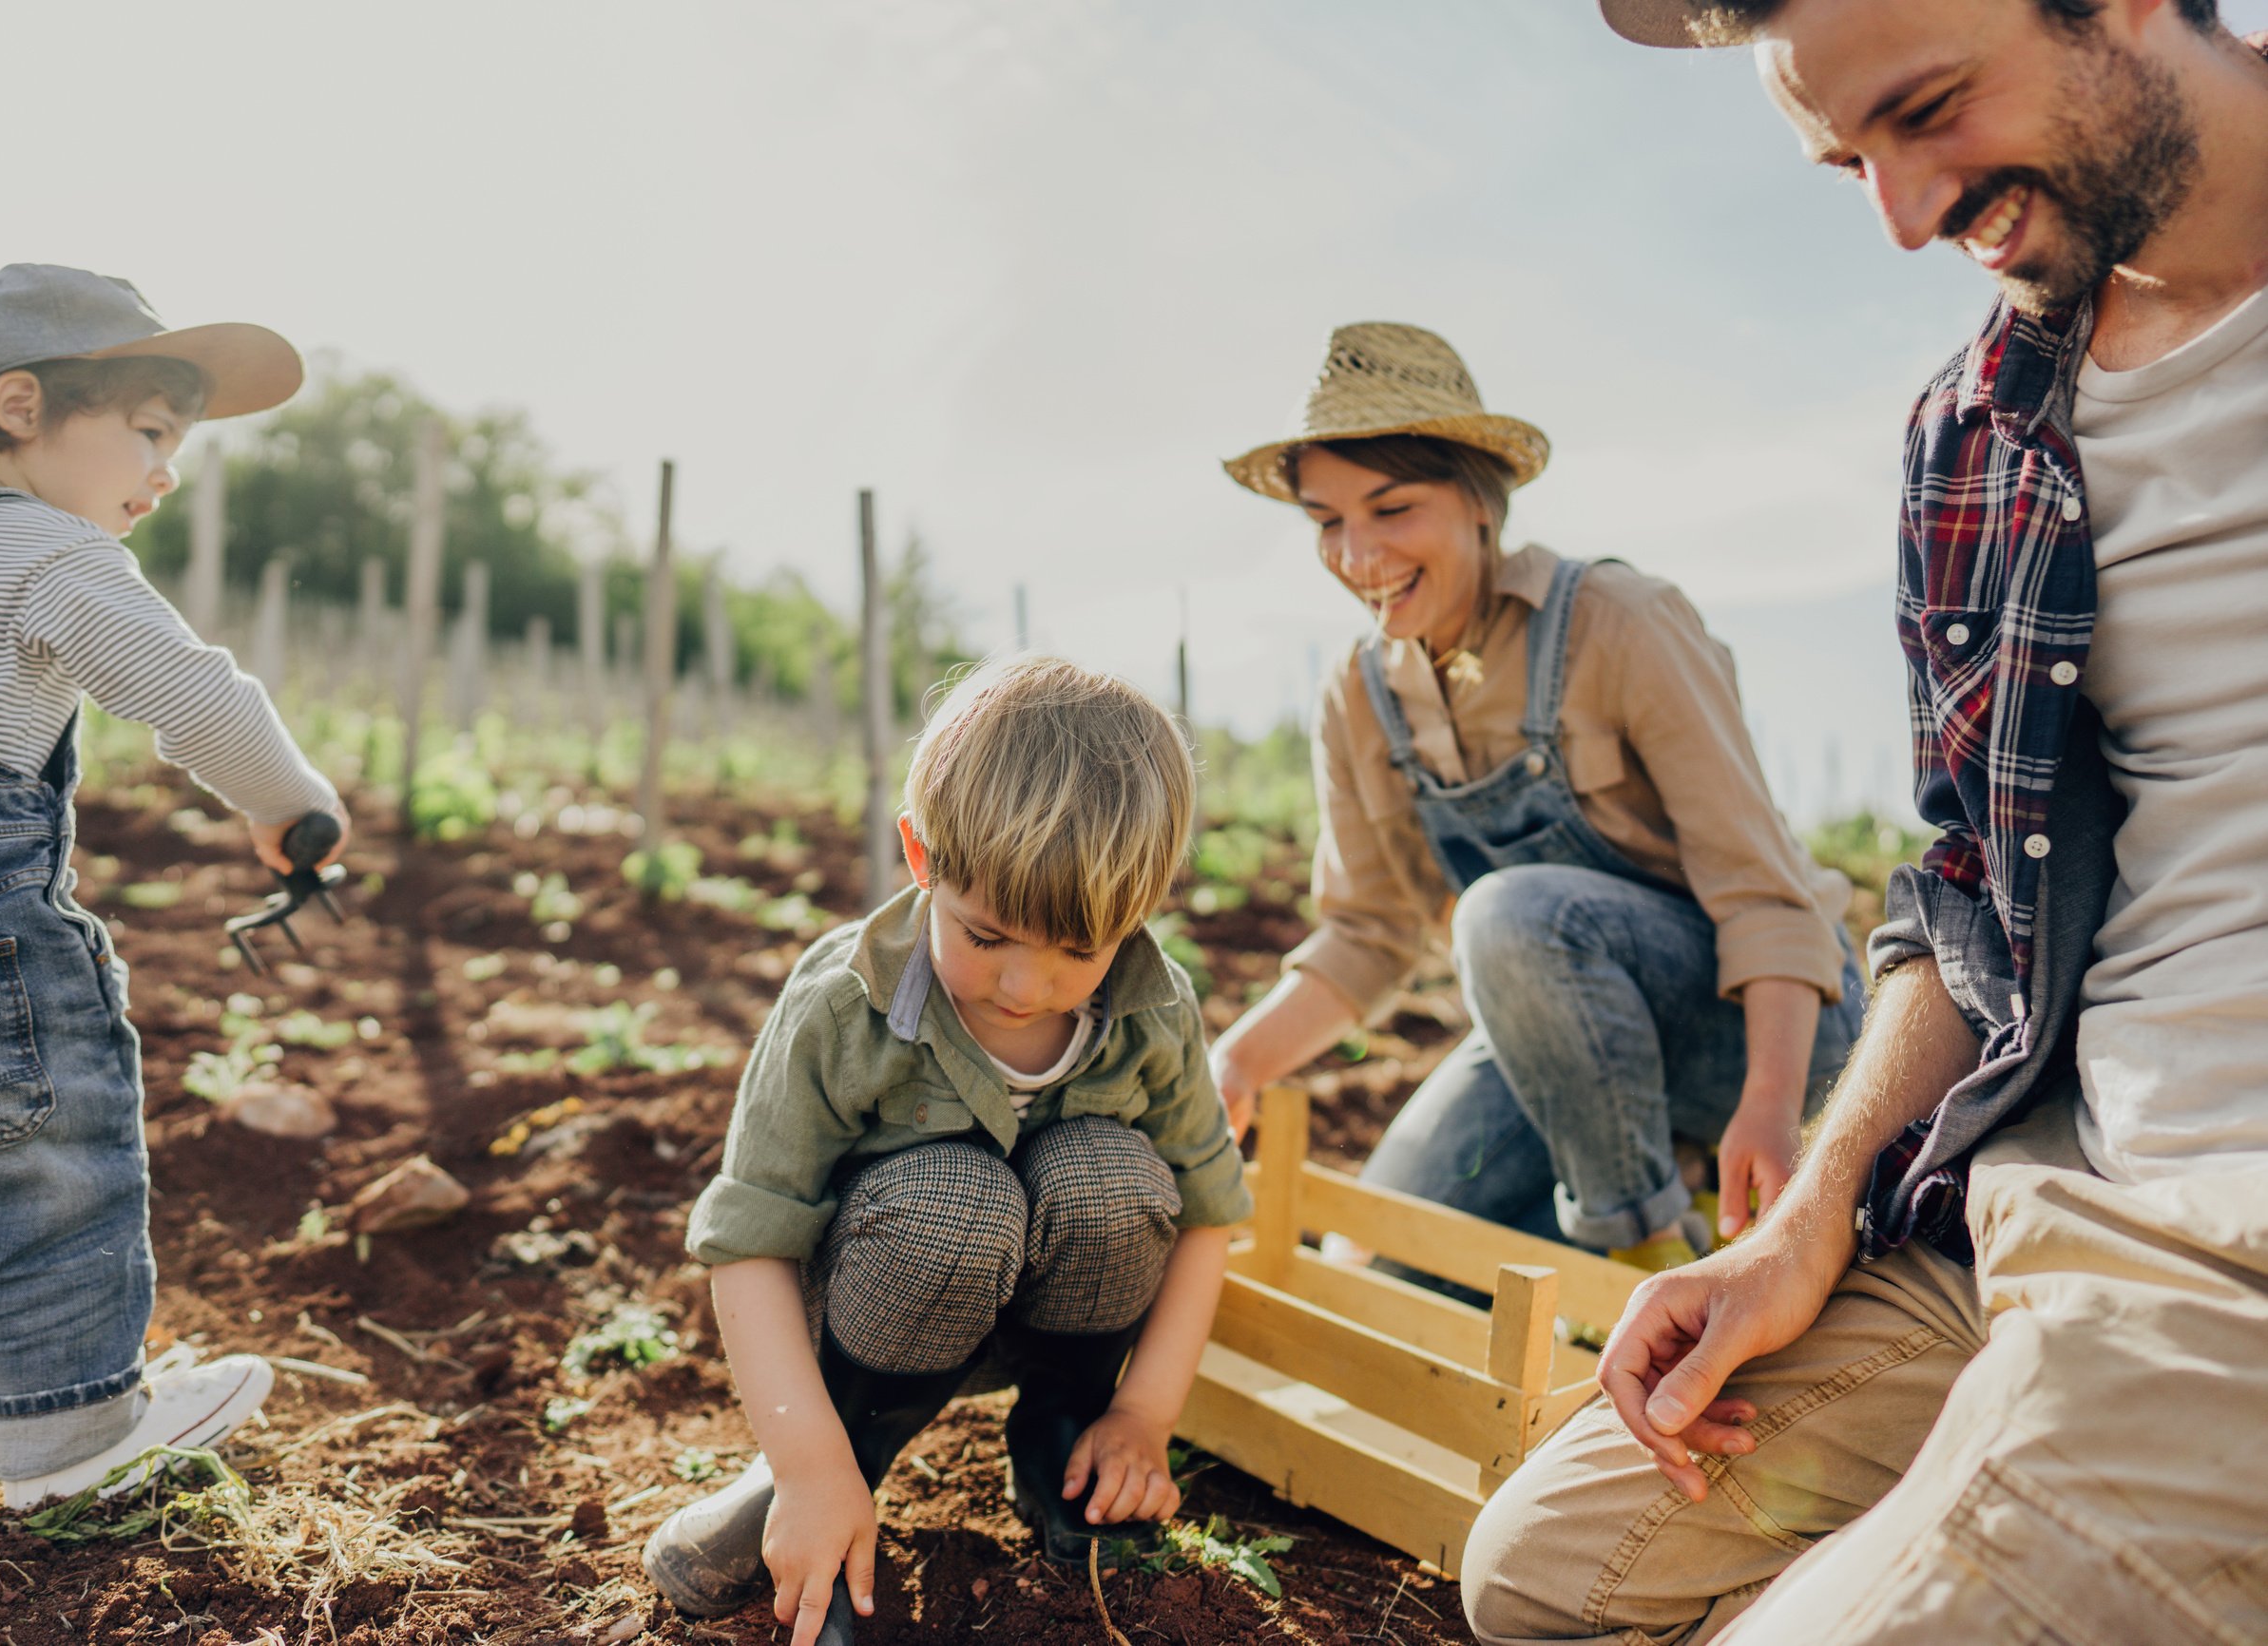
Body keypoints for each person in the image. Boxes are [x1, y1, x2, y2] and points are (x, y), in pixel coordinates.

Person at [1461, 3, 2268, 1640]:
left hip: (2227, 1263)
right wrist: (1806, 1207)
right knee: (1540, 1581)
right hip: (2040, 1185)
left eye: (1928, 110)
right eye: (1847, 163)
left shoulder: (1609, 625)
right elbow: (1967, 884)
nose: (1902, 217)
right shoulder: (1977, 435)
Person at [0, 265, 345, 1579]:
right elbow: (187, 691)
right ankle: (73, 1432)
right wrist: (292, 805)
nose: (166, 474)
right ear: (24, 404)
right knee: (43, 1167)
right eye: (152, 433)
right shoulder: (42, 547)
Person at [1209, 321, 1864, 1277]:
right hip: (1576, 1058)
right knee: (1379, 1264)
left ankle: (1642, 1253)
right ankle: (1641, 1225)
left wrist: (1771, 1107)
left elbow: (1765, 896)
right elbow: (1369, 934)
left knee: (1509, 914)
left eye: (1391, 509)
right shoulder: (1359, 697)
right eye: (1326, 521)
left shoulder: (1620, 624)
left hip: (1768, 1043)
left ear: (1479, 500)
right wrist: (1235, 1062)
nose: (1357, 554)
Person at [644, 656, 1248, 1646]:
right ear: (922, 857)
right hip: (877, 1313)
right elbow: (750, 1237)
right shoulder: (844, 1005)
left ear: (1140, 911)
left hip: (1057, 1318)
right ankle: (846, 1474)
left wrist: (1142, 1413)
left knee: (1114, 1175)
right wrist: (807, 1466)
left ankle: (1060, 1443)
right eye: (988, 933)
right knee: (955, 1195)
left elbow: (1209, 1215)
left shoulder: (1155, 1010)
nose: (1025, 984)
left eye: (1076, 952)